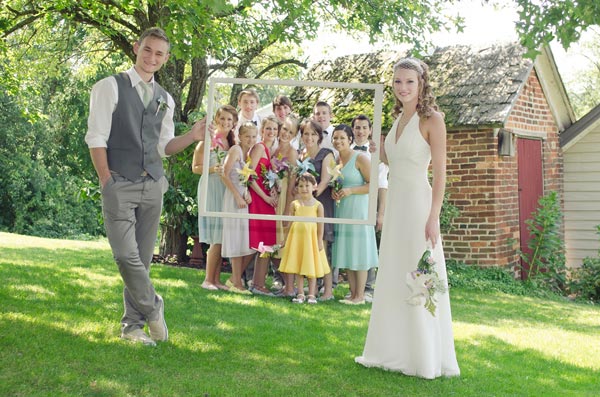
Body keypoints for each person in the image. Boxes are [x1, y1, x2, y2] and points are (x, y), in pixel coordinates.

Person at [85, 27, 209, 346]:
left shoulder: (165, 98)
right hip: (119, 183)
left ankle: (132, 326)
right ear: (137, 48)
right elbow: (96, 137)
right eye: (147, 50)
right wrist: (106, 181)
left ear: (166, 59)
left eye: (159, 54)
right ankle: (154, 307)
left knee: (141, 258)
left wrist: (193, 136)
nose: (152, 58)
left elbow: (163, 146)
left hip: (153, 184)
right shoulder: (109, 87)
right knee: (125, 257)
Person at [355, 57, 460, 378]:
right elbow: (394, 160)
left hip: (418, 207)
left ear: (422, 84)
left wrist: (434, 216)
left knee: (420, 277)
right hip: (397, 207)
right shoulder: (397, 119)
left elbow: (440, 173)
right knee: (394, 275)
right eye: (398, 82)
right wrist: (379, 149)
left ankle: (425, 357)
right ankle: (392, 351)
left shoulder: (433, 120)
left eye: (410, 82)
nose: (403, 88)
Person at [331, 124, 378, 305]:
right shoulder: (336, 161)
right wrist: (335, 192)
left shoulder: (360, 158)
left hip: (358, 209)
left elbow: (372, 184)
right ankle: (352, 294)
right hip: (343, 209)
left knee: (360, 251)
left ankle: (360, 295)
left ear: (350, 139)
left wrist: (351, 191)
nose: (338, 141)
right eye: (335, 138)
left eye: (342, 138)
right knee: (348, 251)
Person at [192, 105, 237, 291]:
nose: (226, 122)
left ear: (234, 123)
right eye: (223, 118)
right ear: (217, 119)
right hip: (211, 187)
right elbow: (195, 167)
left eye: (230, 120)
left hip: (224, 189)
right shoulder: (206, 141)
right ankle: (208, 280)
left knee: (221, 236)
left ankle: (217, 279)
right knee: (215, 237)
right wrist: (212, 169)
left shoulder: (231, 142)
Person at [351, 114, 389, 302]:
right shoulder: (345, 150)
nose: (360, 131)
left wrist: (380, 213)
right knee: (351, 245)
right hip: (350, 206)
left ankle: (368, 288)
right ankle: (352, 290)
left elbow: (382, 185)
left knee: (368, 246)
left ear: (370, 130)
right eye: (357, 127)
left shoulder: (377, 154)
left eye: (364, 127)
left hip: (368, 205)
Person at [278, 173, 330, 304]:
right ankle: (300, 293)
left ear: (314, 187)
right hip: (297, 239)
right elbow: (290, 224)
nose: (304, 188)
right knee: (299, 266)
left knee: (310, 265)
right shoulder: (294, 204)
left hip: (311, 240)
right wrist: (285, 238)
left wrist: (319, 240)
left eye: (307, 185)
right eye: (301, 186)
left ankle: (311, 294)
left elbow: (320, 225)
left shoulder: (318, 205)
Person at [298, 118, 336, 301]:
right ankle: (306, 288)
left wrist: (308, 198)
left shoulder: (326, 154)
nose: (309, 137)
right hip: (304, 208)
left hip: (320, 206)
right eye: (306, 133)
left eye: (313, 134)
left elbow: (324, 182)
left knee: (321, 248)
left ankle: (328, 290)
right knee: (305, 248)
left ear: (319, 136)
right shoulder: (300, 156)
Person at [221, 122, 258, 294]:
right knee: (236, 239)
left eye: (253, 136)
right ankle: (237, 283)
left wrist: (246, 192)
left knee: (245, 242)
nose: (251, 139)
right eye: (247, 136)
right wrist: (237, 195)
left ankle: (234, 279)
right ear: (240, 136)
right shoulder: (235, 150)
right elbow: (224, 173)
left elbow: (241, 178)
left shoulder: (246, 154)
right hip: (233, 200)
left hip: (242, 200)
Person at [248, 116, 280, 295]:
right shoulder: (259, 147)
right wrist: (265, 198)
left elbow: (266, 176)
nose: (272, 132)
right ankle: (256, 284)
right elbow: (250, 176)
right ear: (262, 130)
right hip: (259, 200)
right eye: (268, 128)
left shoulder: (268, 151)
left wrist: (274, 189)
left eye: (275, 129)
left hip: (267, 200)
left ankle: (259, 283)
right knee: (261, 241)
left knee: (267, 243)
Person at [270, 115, 299, 294]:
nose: (286, 133)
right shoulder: (274, 148)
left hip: (285, 202)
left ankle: (290, 287)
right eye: (285, 129)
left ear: (295, 134)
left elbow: (292, 184)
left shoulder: (292, 152)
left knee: (285, 245)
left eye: (291, 131)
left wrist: (288, 209)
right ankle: (285, 285)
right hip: (273, 200)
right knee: (275, 245)